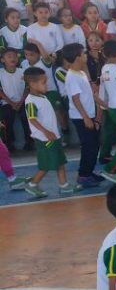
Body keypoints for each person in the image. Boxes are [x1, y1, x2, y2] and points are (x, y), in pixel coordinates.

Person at [21, 67, 80, 197]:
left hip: (53, 137)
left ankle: (64, 185)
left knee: (60, 161)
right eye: (43, 82)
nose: (46, 85)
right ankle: (32, 185)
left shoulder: (42, 96)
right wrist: (46, 132)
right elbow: (32, 119)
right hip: (45, 139)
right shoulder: (31, 101)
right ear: (32, 84)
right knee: (46, 165)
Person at [62, 43, 102, 188]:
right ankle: (84, 175)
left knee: (94, 144)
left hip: (88, 114)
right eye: (83, 53)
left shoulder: (82, 73)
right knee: (89, 146)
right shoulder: (72, 76)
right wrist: (85, 117)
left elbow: (90, 93)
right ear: (78, 57)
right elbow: (76, 99)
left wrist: (103, 105)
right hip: (81, 117)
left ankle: (89, 172)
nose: (86, 55)